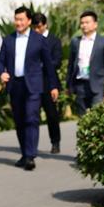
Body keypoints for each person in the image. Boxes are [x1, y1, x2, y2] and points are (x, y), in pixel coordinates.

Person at [0, 6, 58, 171]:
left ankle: (30, 156)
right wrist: (1, 73)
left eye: (21, 19)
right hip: (15, 85)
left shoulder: (39, 40)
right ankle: (24, 153)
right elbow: (0, 61)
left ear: (29, 21)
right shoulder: (8, 40)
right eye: (16, 19)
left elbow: (49, 66)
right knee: (20, 120)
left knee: (32, 118)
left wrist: (53, 86)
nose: (18, 23)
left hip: (34, 85)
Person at [65, 10, 104, 117]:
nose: (84, 25)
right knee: (82, 118)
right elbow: (71, 65)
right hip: (80, 85)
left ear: (95, 24)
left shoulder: (103, 42)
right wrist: (68, 85)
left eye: (87, 22)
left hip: (98, 86)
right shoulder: (75, 42)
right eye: (82, 23)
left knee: (97, 117)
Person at [32, 13, 63, 153]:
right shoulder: (30, 41)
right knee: (32, 115)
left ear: (45, 25)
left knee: (51, 115)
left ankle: (55, 142)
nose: (37, 30)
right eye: (34, 27)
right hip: (33, 83)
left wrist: (43, 65)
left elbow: (57, 61)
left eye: (39, 27)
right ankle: (31, 145)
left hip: (48, 82)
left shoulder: (54, 40)